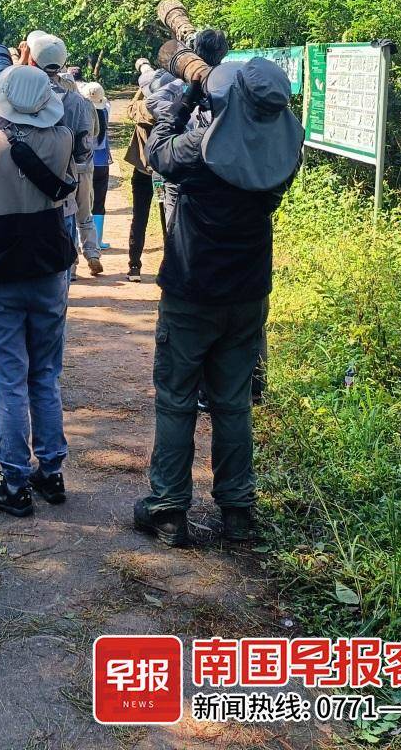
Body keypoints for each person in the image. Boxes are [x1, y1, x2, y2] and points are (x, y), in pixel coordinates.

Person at [133, 49, 303, 548]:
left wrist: (185, 97)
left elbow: (158, 155)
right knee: (232, 403)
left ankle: (168, 509)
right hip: (249, 294)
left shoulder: (201, 147)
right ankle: (238, 512)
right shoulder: (285, 152)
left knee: (177, 399)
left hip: (192, 291)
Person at [0, 64, 77, 517]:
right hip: (49, 263)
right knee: (44, 374)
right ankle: (51, 470)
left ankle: (13, 479)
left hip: (0, 265)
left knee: (8, 379)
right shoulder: (63, 138)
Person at [22, 31, 102, 276]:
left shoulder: (24, 97)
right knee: (77, 215)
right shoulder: (78, 102)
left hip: (33, 175)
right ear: (63, 63)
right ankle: (74, 266)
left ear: (32, 62)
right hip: (71, 173)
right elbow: (86, 144)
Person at [123, 60, 158, 281]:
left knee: (140, 218)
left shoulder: (142, 109)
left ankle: (134, 266)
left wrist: (143, 85)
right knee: (170, 218)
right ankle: (171, 266)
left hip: (144, 170)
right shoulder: (174, 106)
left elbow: (129, 109)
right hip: (167, 171)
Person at [81, 81, 112, 250]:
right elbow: (105, 103)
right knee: (99, 203)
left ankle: (83, 242)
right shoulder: (106, 110)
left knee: (83, 202)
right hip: (102, 163)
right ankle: (98, 241)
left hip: (85, 163)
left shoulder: (81, 113)